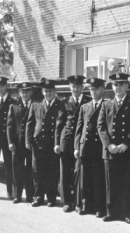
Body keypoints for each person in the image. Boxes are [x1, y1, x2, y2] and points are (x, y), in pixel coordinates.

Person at [97, 72, 130, 223]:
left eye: (121, 84)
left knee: (128, 183)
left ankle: (128, 213)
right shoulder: (106, 105)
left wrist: (126, 144)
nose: (118, 87)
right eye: (115, 84)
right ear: (112, 87)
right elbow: (101, 127)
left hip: (127, 150)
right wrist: (109, 145)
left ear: (126, 86)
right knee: (111, 183)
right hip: (110, 151)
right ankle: (111, 212)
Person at [54, 75, 92, 213]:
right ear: (70, 88)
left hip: (81, 140)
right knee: (64, 171)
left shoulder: (88, 101)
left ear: (82, 88)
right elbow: (59, 123)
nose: (75, 89)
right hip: (66, 139)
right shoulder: (64, 102)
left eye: (78, 86)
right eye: (73, 87)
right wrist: (57, 143)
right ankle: (67, 202)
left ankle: (78, 202)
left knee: (78, 171)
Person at [26, 79, 61, 207]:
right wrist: (28, 141)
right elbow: (29, 124)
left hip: (52, 143)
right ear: (42, 92)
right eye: (46, 91)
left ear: (55, 91)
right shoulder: (36, 105)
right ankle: (38, 197)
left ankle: (51, 198)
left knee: (52, 172)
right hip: (38, 143)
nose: (48, 93)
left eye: (50, 91)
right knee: (37, 172)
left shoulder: (59, 104)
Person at [74, 77, 106, 217]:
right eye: (91, 89)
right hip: (85, 147)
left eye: (96, 89)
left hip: (99, 147)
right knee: (84, 179)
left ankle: (99, 208)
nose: (93, 92)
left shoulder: (107, 105)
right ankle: (85, 206)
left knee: (98, 179)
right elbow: (79, 129)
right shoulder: (84, 107)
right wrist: (76, 147)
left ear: (102, 89)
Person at [7, 82, 35, 204]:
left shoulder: (36, 105)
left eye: (27, 91)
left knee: (30, 170)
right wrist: (11, 142)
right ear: (19, 93)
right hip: (17, 144)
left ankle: (30, 195)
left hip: (31, 144)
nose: (25, 94)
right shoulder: (14, 107)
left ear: (31, 92)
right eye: (22, 92)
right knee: (17, 170)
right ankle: (17, 195)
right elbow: (9, 126)